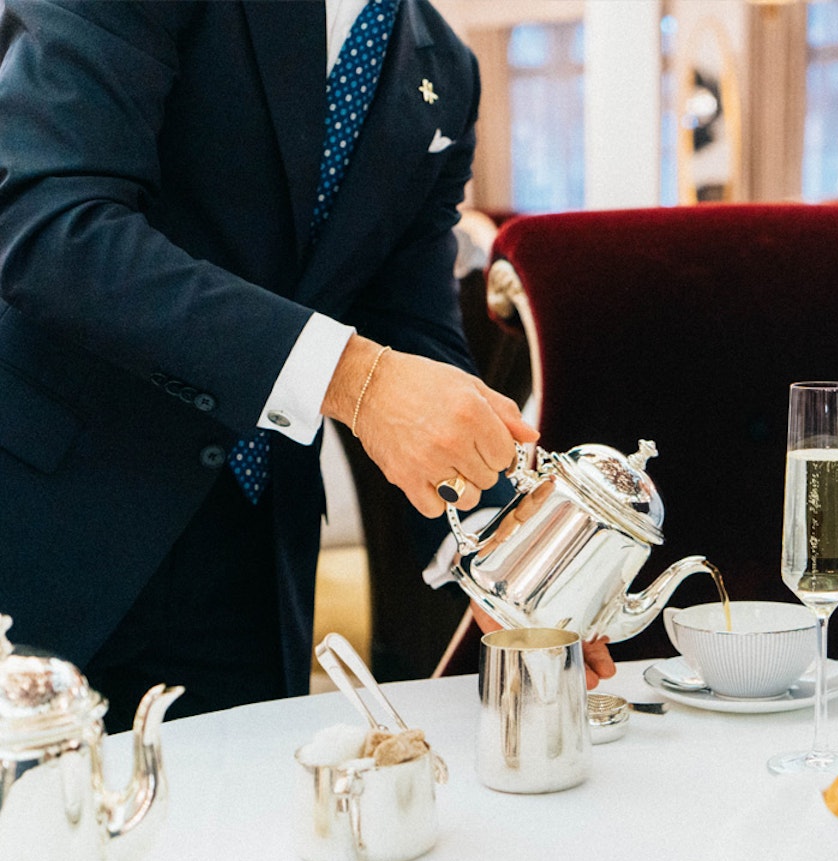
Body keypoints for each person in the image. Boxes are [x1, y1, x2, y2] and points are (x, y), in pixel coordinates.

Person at [0, 0, 613, 730]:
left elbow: (411, 326)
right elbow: (54, 229)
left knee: (230, 837)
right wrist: (354, 378)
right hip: (45, 521)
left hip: (254, 559)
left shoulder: (446, 68)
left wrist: (508, 560)